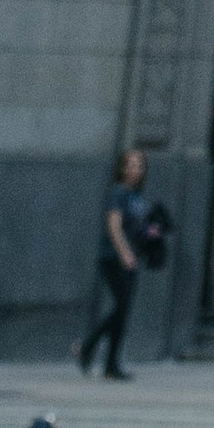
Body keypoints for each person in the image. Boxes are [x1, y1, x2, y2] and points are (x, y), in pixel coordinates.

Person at [76, 146, 152, 380]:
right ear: (121, 168)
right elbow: (114, 227)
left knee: (123, 312)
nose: (135, 170)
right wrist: (125, 253)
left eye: (139, 166)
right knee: (120, 307)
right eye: (130, 165)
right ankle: (87, 347)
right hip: (114, 258)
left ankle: (111, 365)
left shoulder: (138, 196)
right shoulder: (117, 193)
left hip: (131, 259)